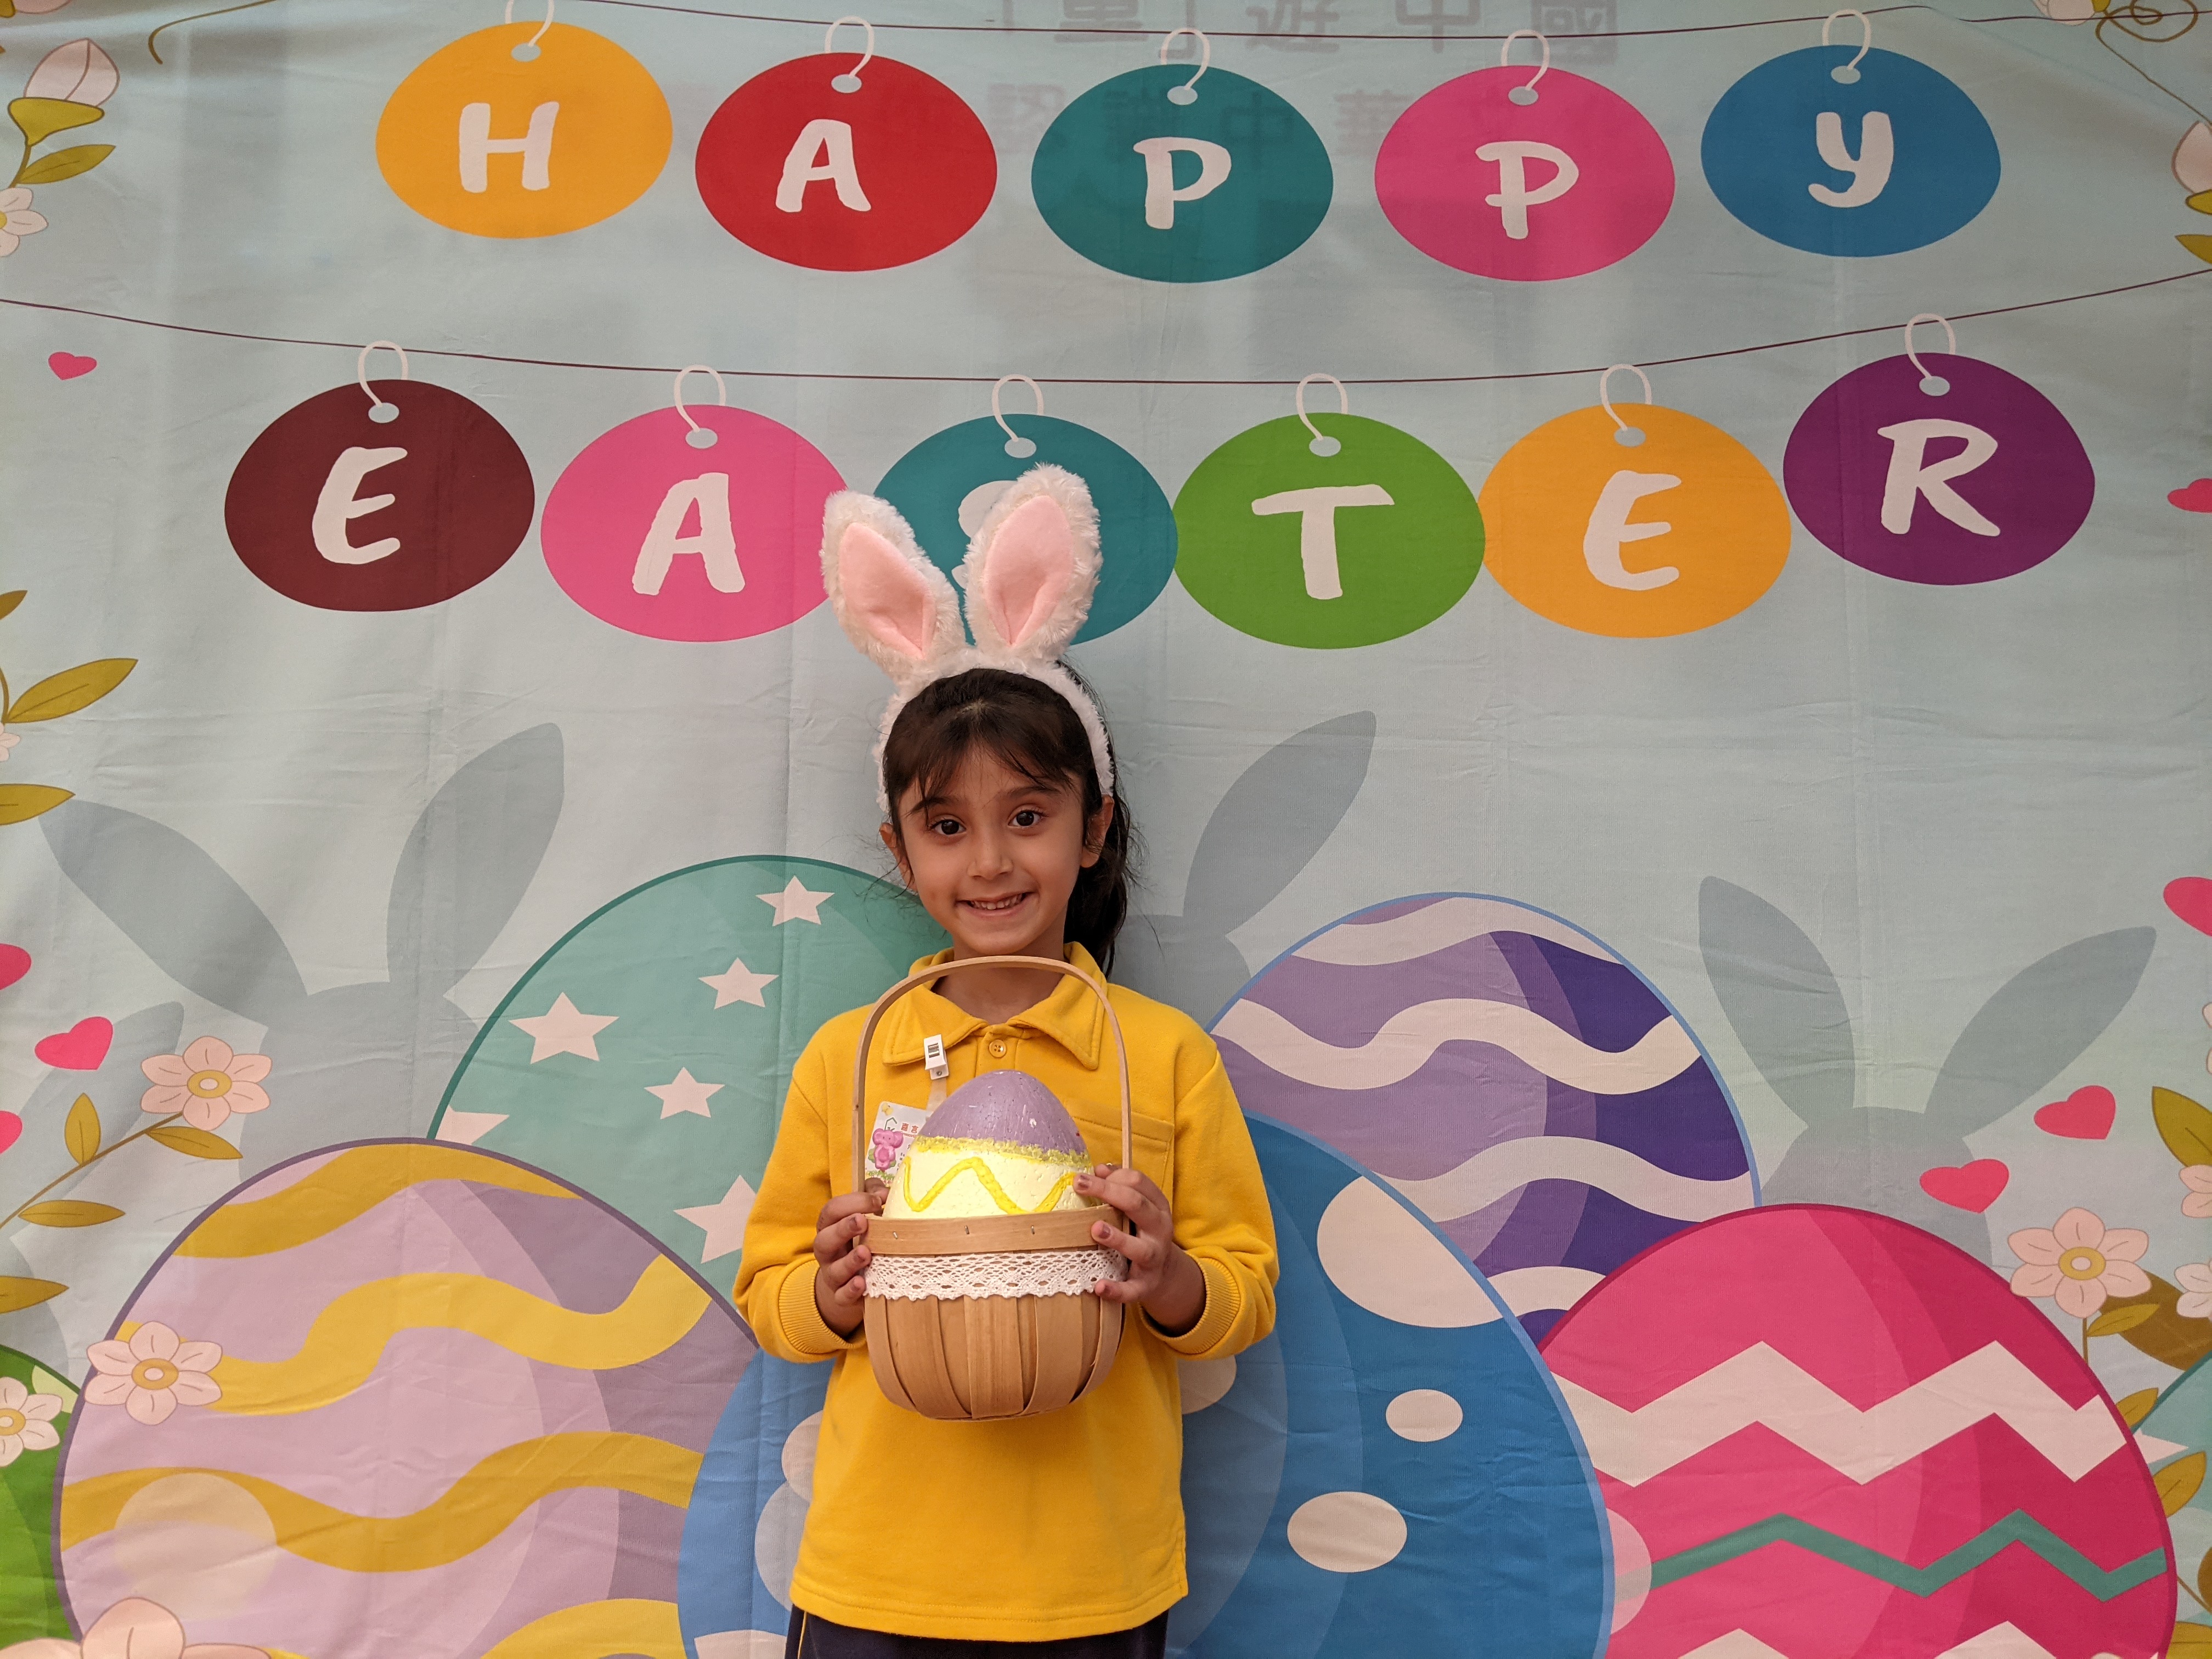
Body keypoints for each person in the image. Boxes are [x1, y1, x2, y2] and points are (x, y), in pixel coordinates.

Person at [735, 467, 1279, 1658]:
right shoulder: (849, 1057)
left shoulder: (1160, 1055)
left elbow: (1245, 1295)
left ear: (1094, 830)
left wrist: (1170, 1278)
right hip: (876, 1573)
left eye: (1028, 816)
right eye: (947, 827)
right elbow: (767, 1293)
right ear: (901, 850)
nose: (989, 861)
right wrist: (828, 1291)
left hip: (1093, 1578)